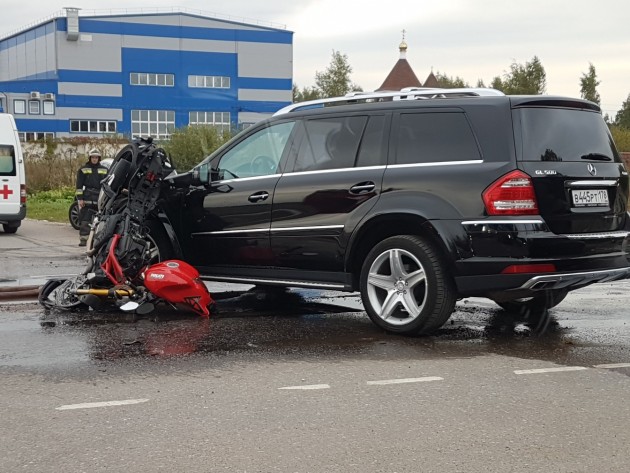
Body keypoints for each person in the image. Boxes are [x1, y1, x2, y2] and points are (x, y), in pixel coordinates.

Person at [75, 148, 108, 246]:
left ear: (99, 158)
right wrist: (80, 199)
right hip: (87, 197)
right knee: (85, 219)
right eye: (93, 157)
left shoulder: (105, 170)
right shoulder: (83, 169)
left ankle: (97, 240)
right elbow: (79, 186)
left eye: (96, 157)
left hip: (99, 197)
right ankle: (84, 239)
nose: (94, 159)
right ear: (90, 158)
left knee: (100, 220)